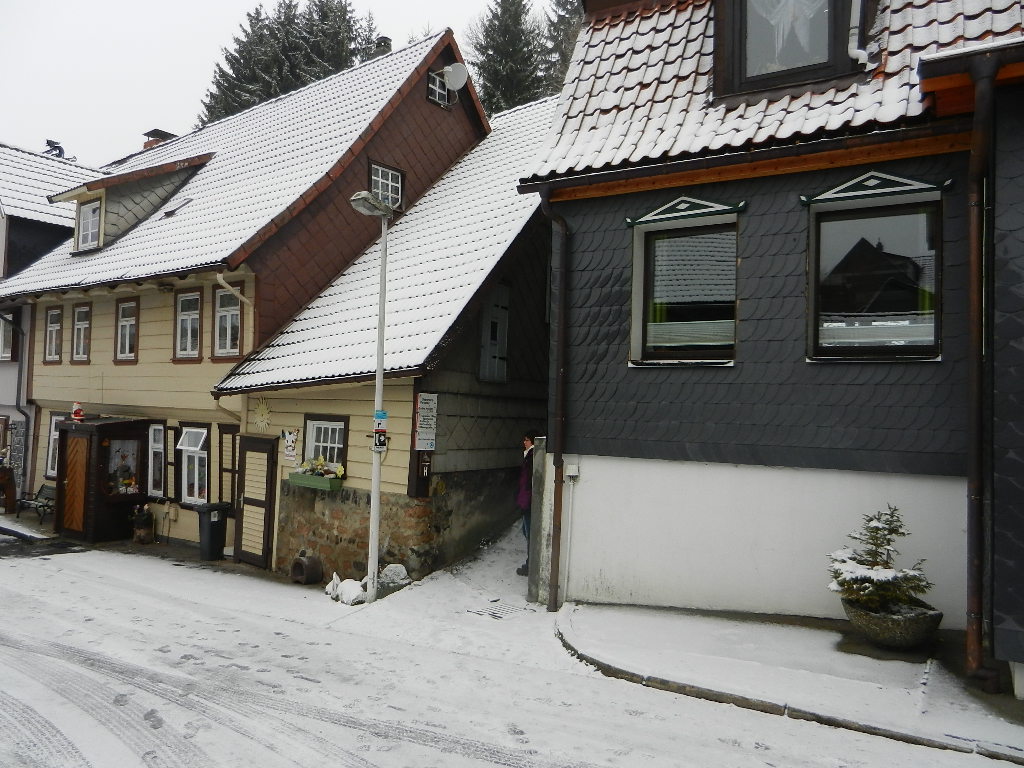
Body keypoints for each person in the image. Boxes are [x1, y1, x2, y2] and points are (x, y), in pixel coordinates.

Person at [516, 434, 535, 576]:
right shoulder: (528, 456)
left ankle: (531, 565)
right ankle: (530, 563)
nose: (524, 442)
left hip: (528, 502)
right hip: (526, 500)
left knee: (529, 533)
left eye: (527, 440)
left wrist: (524, 501)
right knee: (526, 531)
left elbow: (527, 483)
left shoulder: (531, 457)